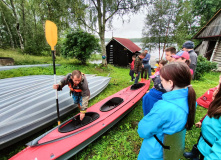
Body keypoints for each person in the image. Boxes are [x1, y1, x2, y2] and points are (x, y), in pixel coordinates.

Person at [137, 62, 196, 160]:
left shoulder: (164, 107)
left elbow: (143, 131)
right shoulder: (191, 100)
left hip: (156, 153)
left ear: (170, 83)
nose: (161, 83)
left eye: (162, 80)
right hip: (173, 150)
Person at [184, 75, 221, 160]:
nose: (215, 88)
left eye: (220, 85)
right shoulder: (218, 102)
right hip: (205, 142)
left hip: (211, 152)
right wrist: (202, 121)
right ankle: (195, 153)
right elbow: (210, 113)